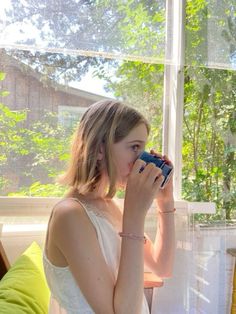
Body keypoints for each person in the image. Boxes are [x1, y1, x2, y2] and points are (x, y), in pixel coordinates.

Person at [43, 99, 175, 314]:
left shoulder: (110, 207)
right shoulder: (70, 215)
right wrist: (135, 214)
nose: (143, 160)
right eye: (134, 147)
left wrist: (165, 201)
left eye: (143, 148)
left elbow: (163, 267)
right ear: (100, 149)